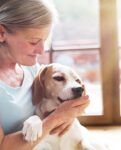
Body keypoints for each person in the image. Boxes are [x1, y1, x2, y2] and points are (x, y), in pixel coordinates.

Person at [0, 0, 90, 149]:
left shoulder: (32, 70)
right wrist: (57, 118)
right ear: (2, 33)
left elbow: (74, 100)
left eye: (45, 40)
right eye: (34, 41)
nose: (41, 50)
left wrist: (73, 109)